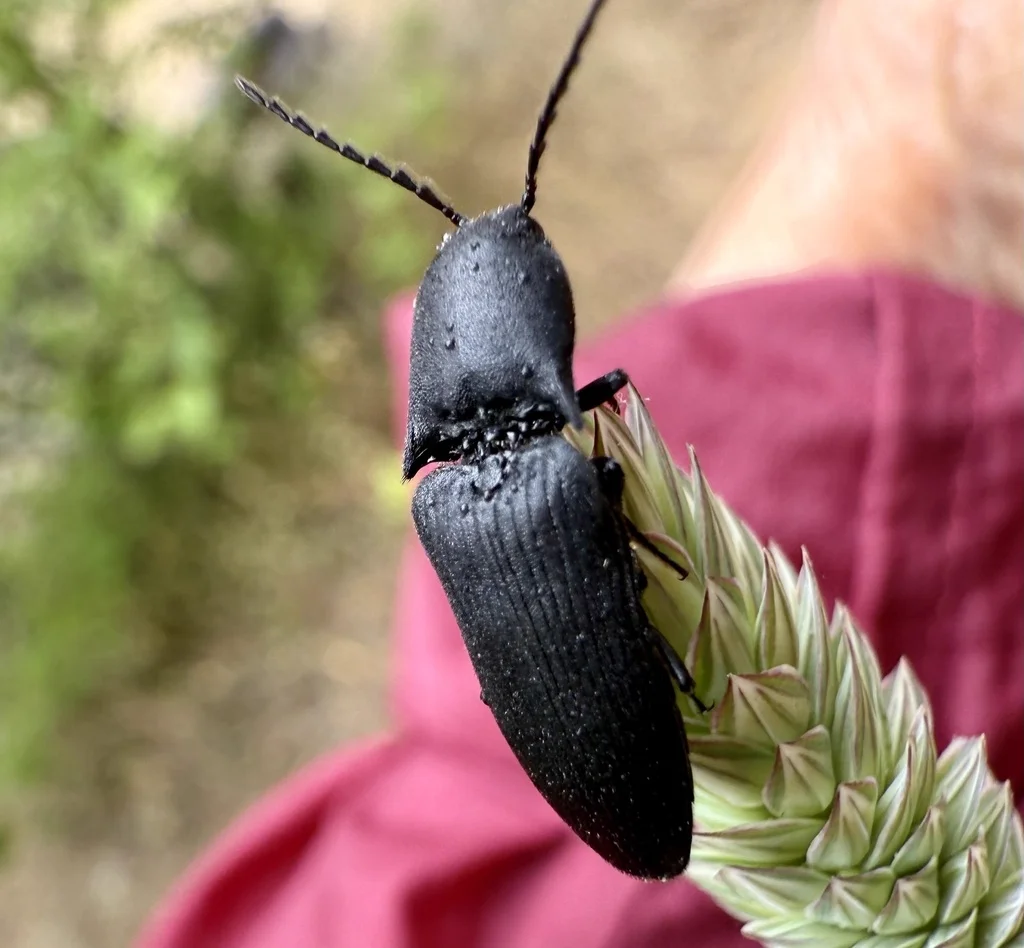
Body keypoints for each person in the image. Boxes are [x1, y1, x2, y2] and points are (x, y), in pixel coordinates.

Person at [137, 0, 1023, 944]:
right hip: (632, 782)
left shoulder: (448, 509)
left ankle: (889, 329)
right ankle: (893, 332)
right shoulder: (539, 483)